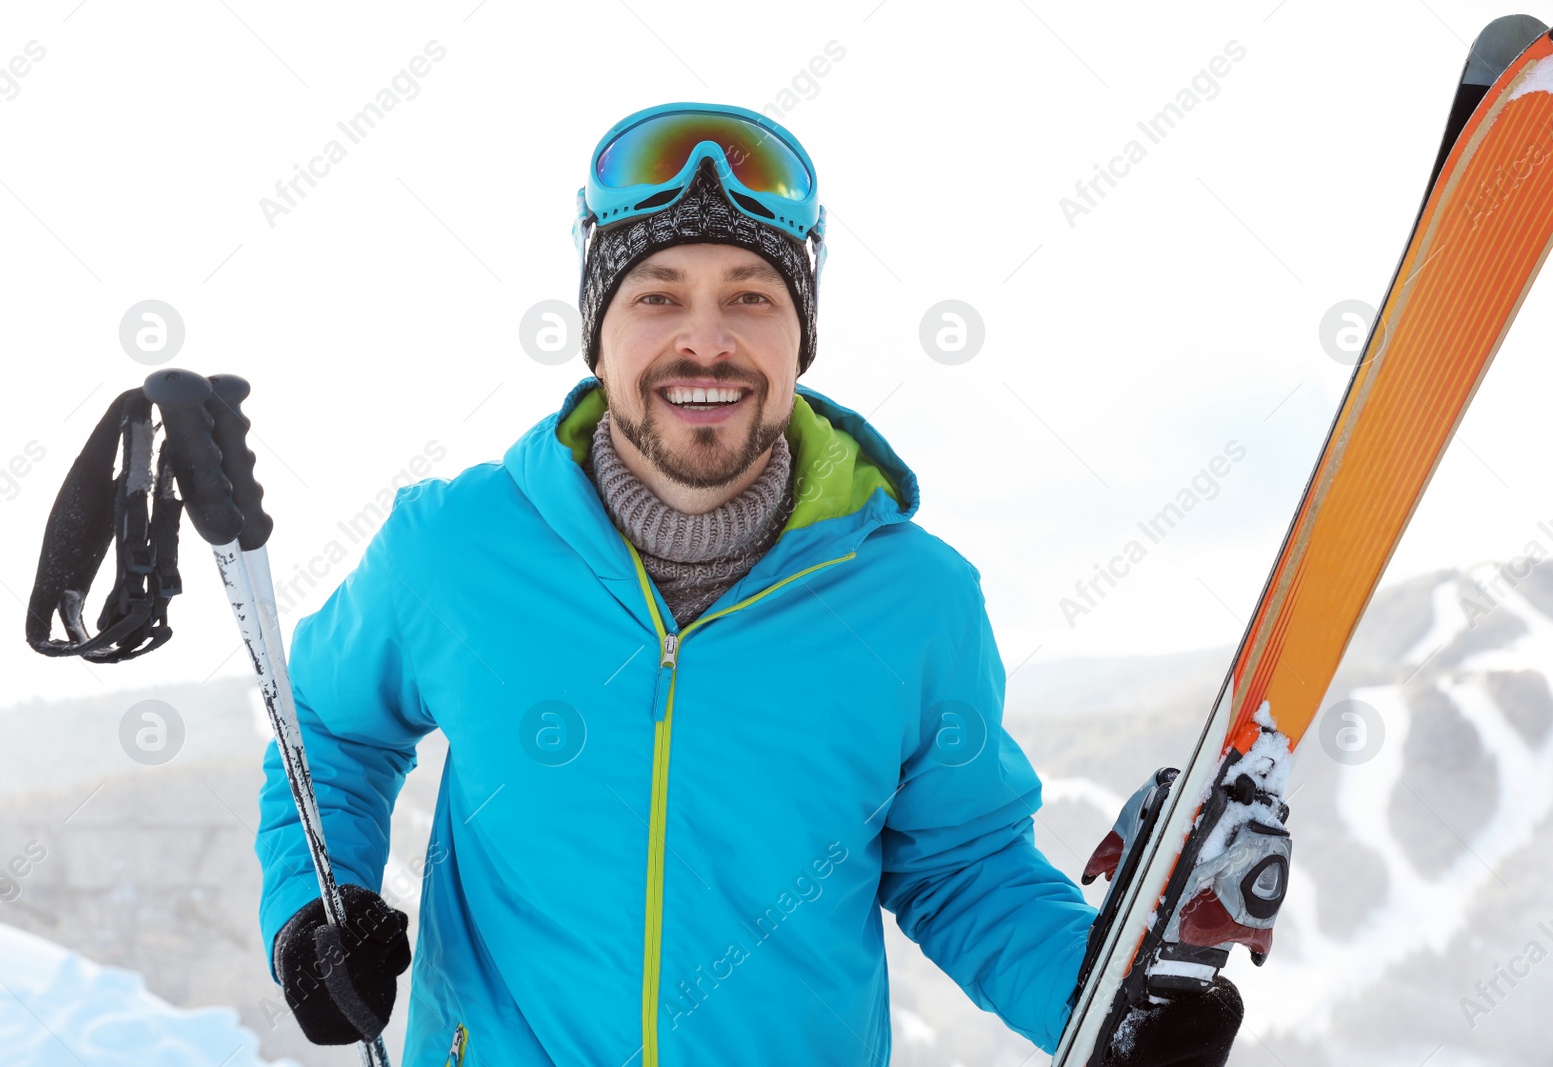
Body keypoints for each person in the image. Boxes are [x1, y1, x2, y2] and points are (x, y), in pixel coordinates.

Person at [256, 102, 1243, 1066]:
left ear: (798, 335)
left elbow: (962, 865)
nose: (705, 339)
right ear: (595, 332)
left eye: (749, 295)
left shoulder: (914, 601)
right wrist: (315, 899)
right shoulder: (454, 548)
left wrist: (1098, 1001)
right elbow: (332, 729)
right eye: (656, 295)